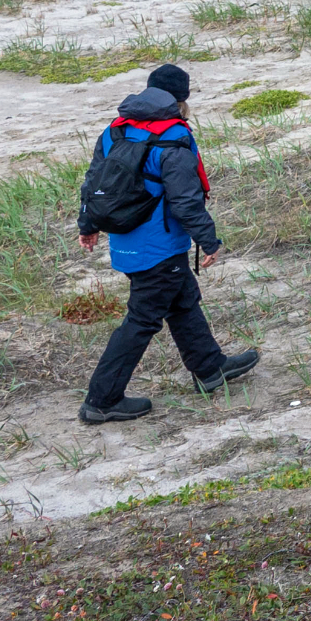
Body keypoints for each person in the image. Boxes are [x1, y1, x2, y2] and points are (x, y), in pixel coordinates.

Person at [76, 64, 259, 424]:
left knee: (182, 300)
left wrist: (88, 224)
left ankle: (210, 368)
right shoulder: (174, 138)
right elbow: (186, 201)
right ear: (182, 100)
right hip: (160, 248)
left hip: (127, 240)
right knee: (142, 320)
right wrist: (209, 240)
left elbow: (92, 183)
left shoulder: (115, 131)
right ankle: (102, 400)